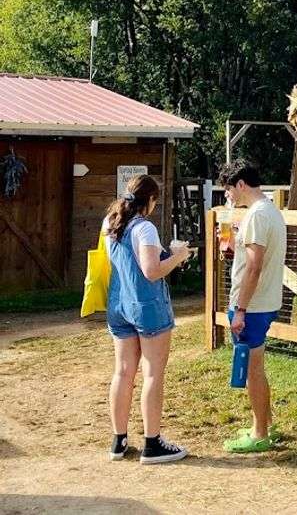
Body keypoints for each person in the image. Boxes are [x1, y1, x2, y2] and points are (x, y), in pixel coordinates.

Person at [103, 173, 191, 464]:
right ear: (150, 200)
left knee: (123, 371)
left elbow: (123, 262)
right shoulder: (145, 228)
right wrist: (178, 256)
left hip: (119, 303)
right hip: (148, 307)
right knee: (153, 372)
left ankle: (118, 441)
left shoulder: (111, 222)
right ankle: (152, 443)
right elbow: (151, 271)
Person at [217, 158, 287, 454]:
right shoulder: (269, 211)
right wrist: (234, 245)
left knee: (252, 369)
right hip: (265, 301)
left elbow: (255, 267)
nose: (228, 196)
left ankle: (259, 433)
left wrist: (241, 309)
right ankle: (264, 424)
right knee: (257, 367)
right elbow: (255, 257)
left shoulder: (257, 216)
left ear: (241, 184)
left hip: (253, 306)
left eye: (229, 189)